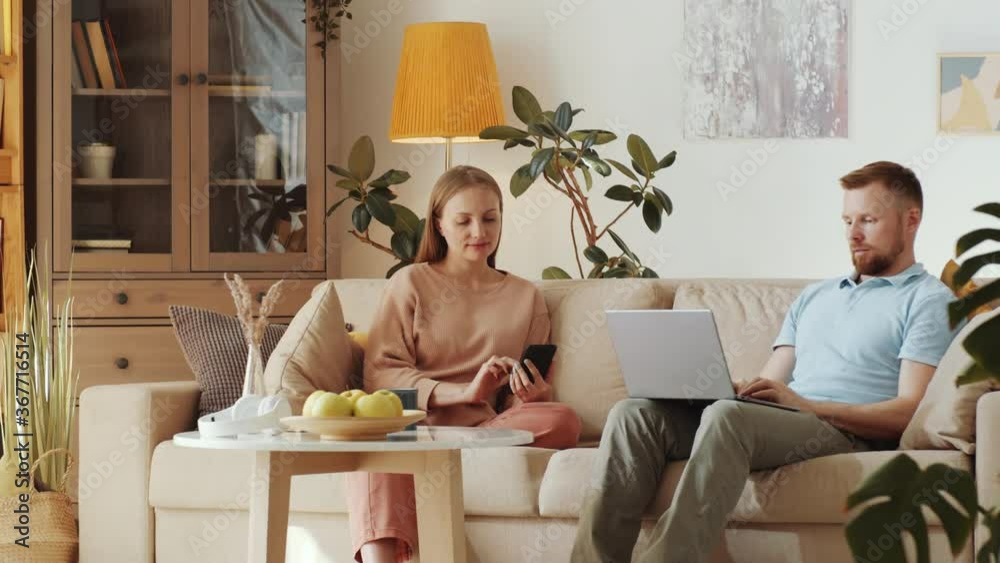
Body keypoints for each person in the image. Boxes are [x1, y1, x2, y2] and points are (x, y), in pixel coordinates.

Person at [571, 161, 961, 563]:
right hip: (786, 419)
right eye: (847, 220)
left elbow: (908, 410)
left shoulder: (929, 302)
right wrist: (735, 389)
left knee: (729, 417)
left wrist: (809, 407)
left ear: (911, 219)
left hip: (842, 431)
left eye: (869, 219)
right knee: (633, 414)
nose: (853, 234)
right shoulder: (816, 296)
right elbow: (770, 380)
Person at [346, 165, 582, 563]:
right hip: (414, 428)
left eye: (490, 218)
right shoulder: (410, 283)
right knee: (373, 445)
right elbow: (381, 374)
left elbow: (520, 404)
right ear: (438, 224)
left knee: (563, 418)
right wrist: (462, 391)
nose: (479, 232)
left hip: (484, 433)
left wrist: (533, 396)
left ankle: (456, 450)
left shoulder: (527, 297)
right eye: (464, 220)